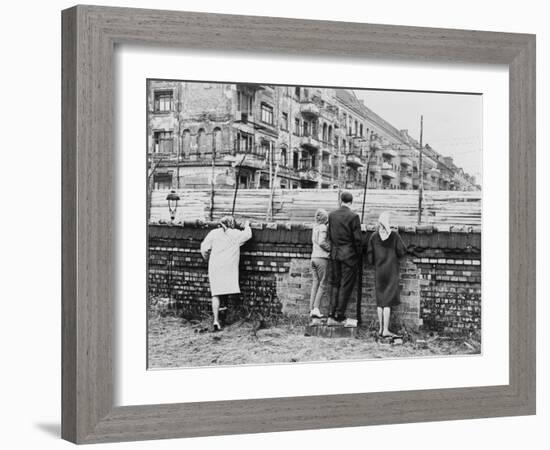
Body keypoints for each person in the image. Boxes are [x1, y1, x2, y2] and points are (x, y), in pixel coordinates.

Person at [200, 216, 252, 331]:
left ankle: (216, 320)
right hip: (228, 268)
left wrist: (207, 259)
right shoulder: (235, 234)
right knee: (226, 291)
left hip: (215, 266)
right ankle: (226, 316)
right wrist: (247, 224)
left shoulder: (213, 233)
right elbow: (248, 235)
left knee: (216, 294)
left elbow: (204, 248)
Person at [366, 211, 407, 337]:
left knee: (380, 301)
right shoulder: (394, 236)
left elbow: (370, 257)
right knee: (387, 301)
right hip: (391, 271)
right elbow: (402, 251)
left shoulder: (373, 236)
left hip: (379, 270)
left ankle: (380, 329)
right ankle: (385, 330)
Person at [327, 191, 363, 325]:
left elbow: (330, 235)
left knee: (335, 283)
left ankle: (330, 313)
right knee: (346, 285)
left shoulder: (331, 215)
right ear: (351, 202)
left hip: (335, 254)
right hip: (348, 256)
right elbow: (358, 240)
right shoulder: (354, 217)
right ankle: (339, 314)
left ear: (341, 201)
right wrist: (358, 254)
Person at [309, 208, 331, 318]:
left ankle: (311, 308)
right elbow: (322, 242)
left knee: (315, 283)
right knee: (323, 284)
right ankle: (316, 308)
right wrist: (330, 249)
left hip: (313, 257)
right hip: (321, 258)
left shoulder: (315, 227)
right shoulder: (323, 227)